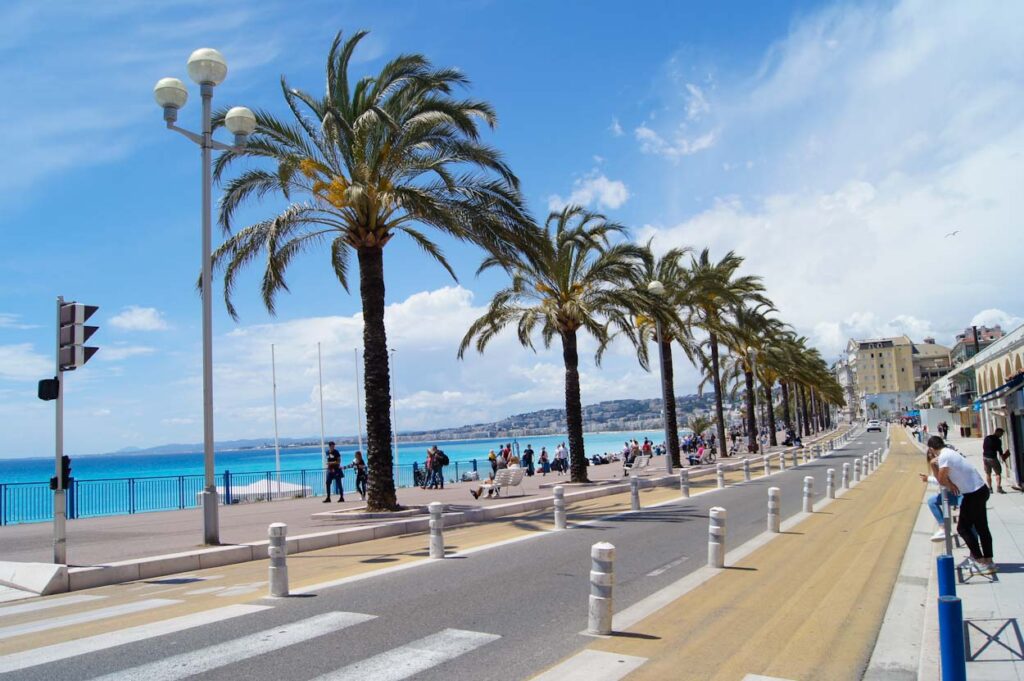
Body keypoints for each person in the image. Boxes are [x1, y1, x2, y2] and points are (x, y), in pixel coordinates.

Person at [928, 435, 996, 574]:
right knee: (981, 527)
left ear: (931, 449)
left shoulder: (944, 456)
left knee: (963, 528)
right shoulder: (950, 452)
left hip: (973, 494)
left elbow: (941, 480)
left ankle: (980, 560)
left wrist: (933, 466)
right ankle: (989, 561)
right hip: (980, 490)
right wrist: (951, 483)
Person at [919, 446, 961, 542]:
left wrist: (928, 479)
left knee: (968, 525)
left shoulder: (943, 462)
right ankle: (943, 527)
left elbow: (942, 480)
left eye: (932, 455)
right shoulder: (937, 464)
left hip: (959, 493)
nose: (931, 457)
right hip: (952, 494)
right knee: (932, 501)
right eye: (929, 456)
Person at [982, 428, 1009, 494]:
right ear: (997, 432)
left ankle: (990, 488)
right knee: (998, 473)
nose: (1001, 435)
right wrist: (1004, 457)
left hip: (985, 458)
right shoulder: (998, 441)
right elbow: (1000, 451)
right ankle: (999, 488)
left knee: (988, 474)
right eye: (1001, 434)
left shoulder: (987, 438)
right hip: (993, 458)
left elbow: (984, 447)